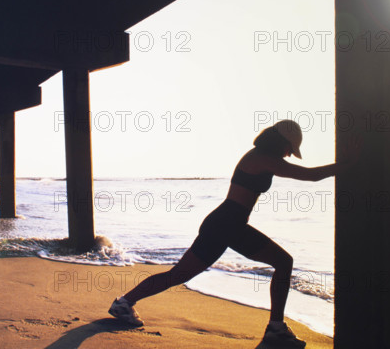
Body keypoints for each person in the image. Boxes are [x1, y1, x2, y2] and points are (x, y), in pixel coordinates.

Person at [108, 120, 359, 348]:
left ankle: (124, 303)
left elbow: (306, 174)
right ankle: (275, 329)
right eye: (289, 149)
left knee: (179, 274)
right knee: (283, 262)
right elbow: (310, 175)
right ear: (280, 142)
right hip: (227, 224)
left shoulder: (261, 157)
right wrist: (349, 165)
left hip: (225, 224)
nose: (288, 154)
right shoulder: (261, 158)